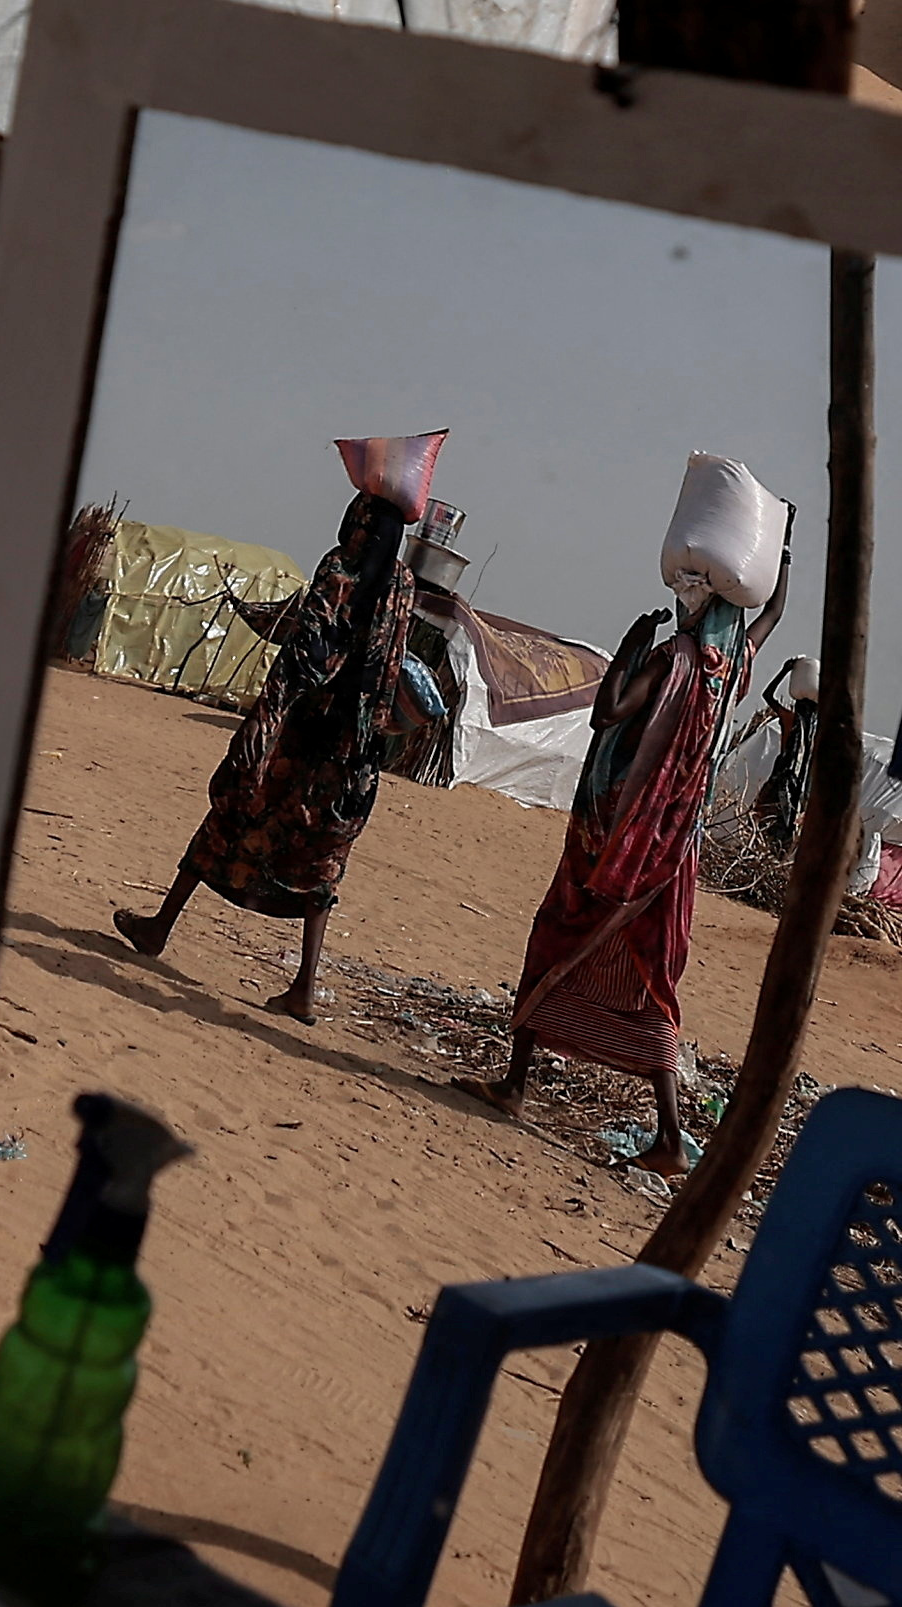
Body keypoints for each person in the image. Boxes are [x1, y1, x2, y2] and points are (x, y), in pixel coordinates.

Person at [493, 454, 785, 1168]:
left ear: (699, 600)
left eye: (691, 588)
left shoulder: (675, 658)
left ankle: (515, 1085)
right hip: (672, 851)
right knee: (652, 974)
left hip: (614, 840)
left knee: (556, 939)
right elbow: (772, 611)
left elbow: (607, 715)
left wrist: (629, 647)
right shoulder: (731, 665)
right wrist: (786, 547)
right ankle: (665, 1133)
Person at [120, 431, 441, 1018]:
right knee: (321, 861)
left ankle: (160, 927)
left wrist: (262, 725)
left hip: (302, 734)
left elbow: (308, 654)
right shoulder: (402, 587)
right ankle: (303, 987)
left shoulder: (339, 569)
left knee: (230, 819)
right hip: (353, 751)